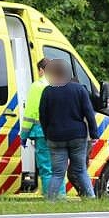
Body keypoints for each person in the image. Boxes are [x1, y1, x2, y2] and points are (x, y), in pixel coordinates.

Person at [38, 59, 97, 200]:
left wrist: (47, 134)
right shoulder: (79, 89)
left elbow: (43, 116)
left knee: (57, 173)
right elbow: (89, 113)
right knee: (80, 169)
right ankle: (91, 198)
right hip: (77, 136)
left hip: (55, 137)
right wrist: (94, 134)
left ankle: (50, 201)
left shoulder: (47, 91)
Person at [20, 58, 55, 194]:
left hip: (42, 133)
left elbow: (30, 114)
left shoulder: (37, 86)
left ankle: (50, 197)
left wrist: (24, 135)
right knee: (58, 169)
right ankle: (61, 196)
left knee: (46, 167)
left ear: (41, 70)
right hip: (59, 134)